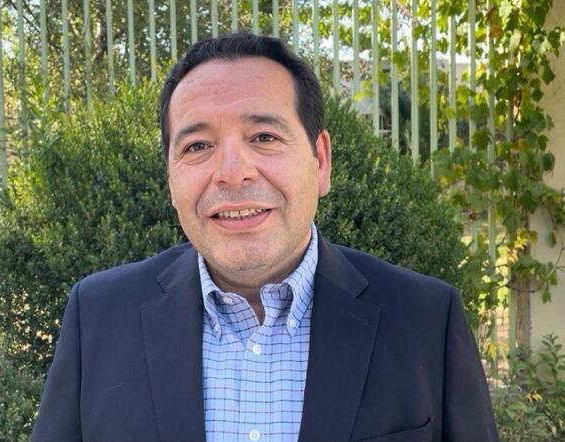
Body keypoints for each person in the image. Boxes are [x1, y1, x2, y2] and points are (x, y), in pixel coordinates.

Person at [32, 32, 499, 442]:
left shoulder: (423, 320)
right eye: (198, 146)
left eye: (263, 137)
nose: (232, 173)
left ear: (320, 161)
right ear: (171, 177)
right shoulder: (99, 317)